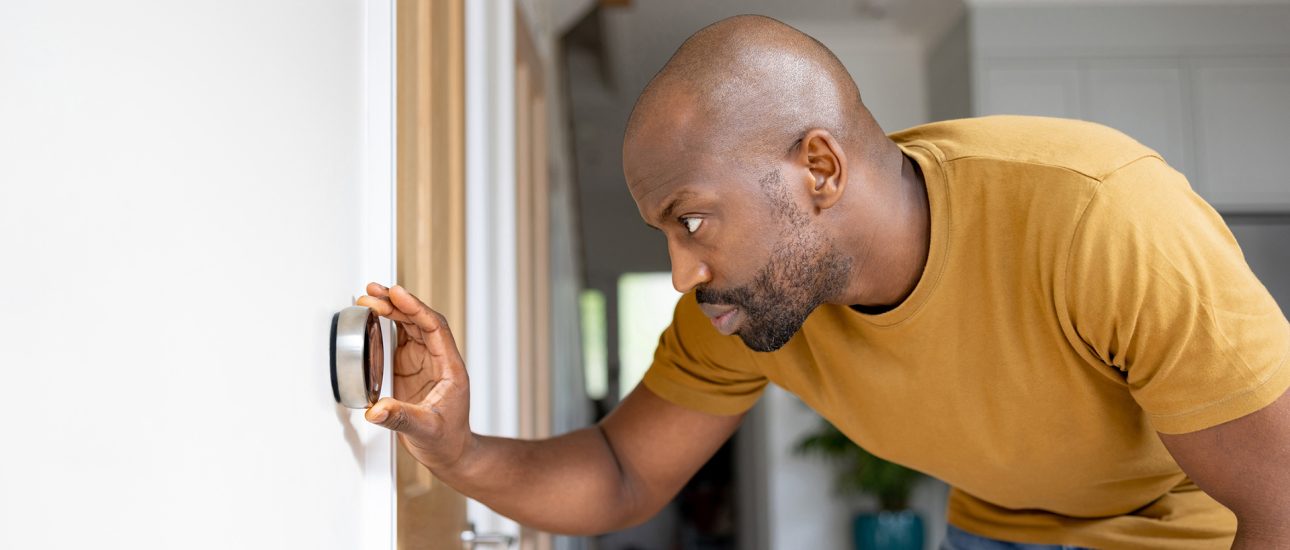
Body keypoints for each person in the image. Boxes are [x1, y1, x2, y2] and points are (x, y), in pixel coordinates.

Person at [356, 15, 1290, 549]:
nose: (683, 274)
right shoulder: (745, 307)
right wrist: (458, 448)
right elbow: (621, 473)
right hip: (1000, 532)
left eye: (691, 218)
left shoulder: (1100, 217)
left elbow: (1280, 500)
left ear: (821, 169)